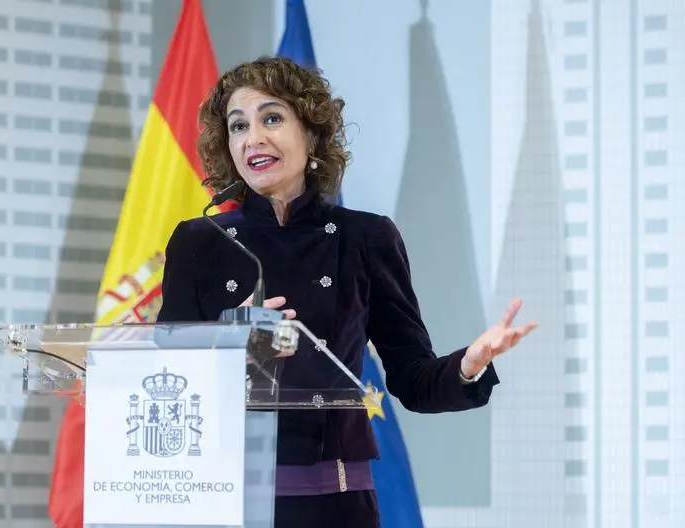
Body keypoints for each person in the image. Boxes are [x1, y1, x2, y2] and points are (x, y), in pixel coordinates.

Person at [156, 56, 537, 528]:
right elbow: (167, 377)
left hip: (335, 505)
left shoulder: (366, 238)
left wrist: (467, 365)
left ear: (312, 133)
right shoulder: (199, 241)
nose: (252, 137)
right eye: (238, 126)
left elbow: (412, 379)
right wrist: (229, 340)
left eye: (271, 118)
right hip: (221, 502)